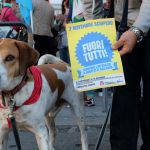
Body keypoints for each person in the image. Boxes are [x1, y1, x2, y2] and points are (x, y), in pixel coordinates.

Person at [107, 0, 150, 150]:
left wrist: (136, 31)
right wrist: (92, 25)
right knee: (123, 92)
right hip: (122, 24)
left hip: (139, 22)